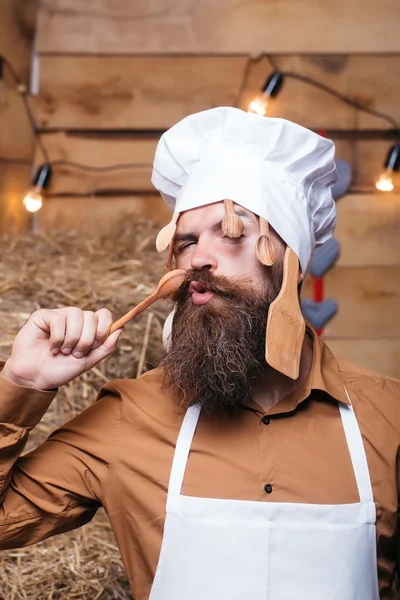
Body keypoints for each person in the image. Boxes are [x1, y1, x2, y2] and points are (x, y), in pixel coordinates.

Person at [0, 107, 399, 600]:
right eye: (185, 241)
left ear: (292, 260)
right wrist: (21, 383)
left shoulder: (388, 418)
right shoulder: (129, 418)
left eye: (229, 232)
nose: (197, 258)